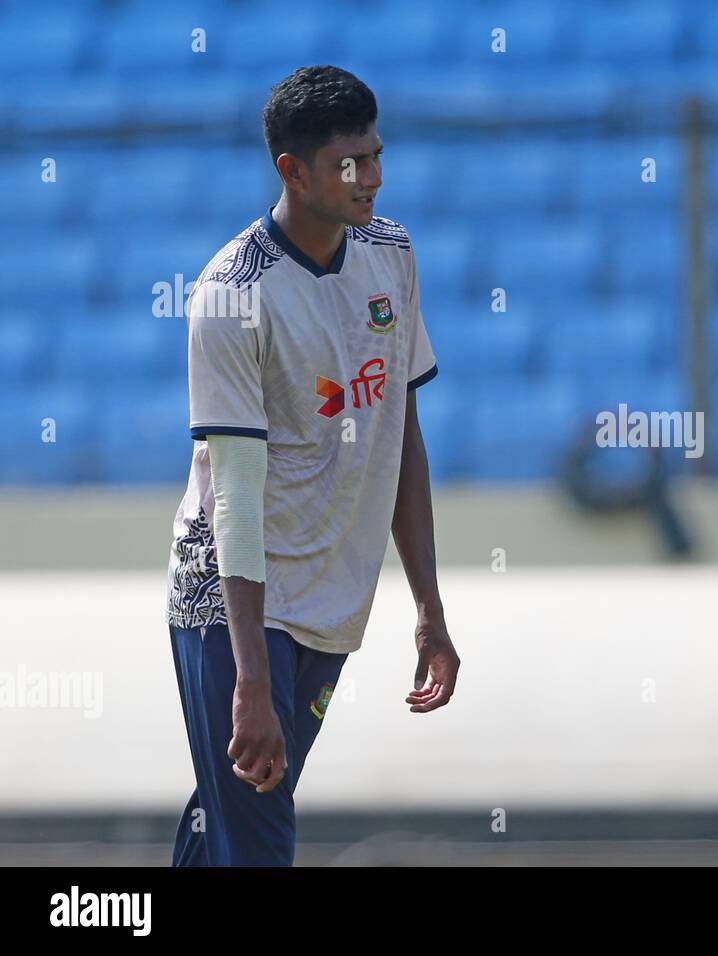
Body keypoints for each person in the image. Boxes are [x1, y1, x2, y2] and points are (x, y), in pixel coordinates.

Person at [164, 66, 459, 866]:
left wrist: (428, 607)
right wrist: (250, 680)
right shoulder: (232, 295)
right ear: (292, 170)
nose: (372, 177)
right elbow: (233, 499)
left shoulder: (390, 254)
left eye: (375, 154)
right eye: (348, 163)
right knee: (259, 832)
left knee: (227, 820)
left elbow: (402, 435)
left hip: (330, 598)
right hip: (231, 600)